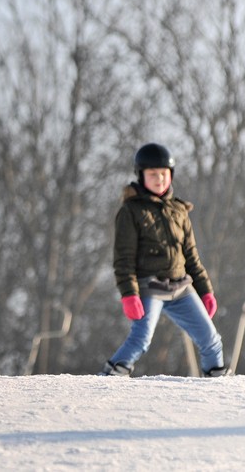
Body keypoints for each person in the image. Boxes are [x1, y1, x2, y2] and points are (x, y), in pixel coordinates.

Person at [99, 143, 227, 377]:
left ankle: (216, 387)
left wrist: (205, 290)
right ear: (141, 176)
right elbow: (123, 260)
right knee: (140, 340)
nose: (159, 179)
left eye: (164, 174)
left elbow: (191, 257)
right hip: (150, 287)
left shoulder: (179, 211)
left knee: (211, 340)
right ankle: (107, 379)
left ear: (171, 175)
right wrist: (129, 294)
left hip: (181, 287)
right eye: (153, 174)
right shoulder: (131, 212)